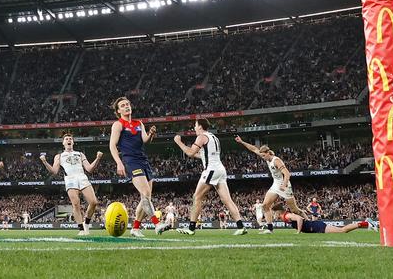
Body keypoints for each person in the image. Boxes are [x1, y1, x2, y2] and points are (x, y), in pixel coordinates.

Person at [174, 119, 247, 236]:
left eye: (195, 125)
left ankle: (191, 228)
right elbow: (202, 155)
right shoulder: (213, 137)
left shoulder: (201, 137)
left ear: (200, 127)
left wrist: (179, 142)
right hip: (220, 169)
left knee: (197, 197)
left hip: (211, 170)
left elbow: (191, 153)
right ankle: (241, 226)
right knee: (227, 200)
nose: (194, 128)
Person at [109, 97, 169, 237]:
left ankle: (135, 228)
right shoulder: (118, 125)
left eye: (128, 104)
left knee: (145, 196)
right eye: (123, 106)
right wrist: (119, 162)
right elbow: (112, 145)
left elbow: (145, 140)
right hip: (131, 161)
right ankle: (157, 224)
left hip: (143, 160)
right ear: (118, 111)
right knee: (145, 193)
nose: (126, 107)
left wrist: (150, 134)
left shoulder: (139, 123)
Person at [234, 136, 308, 234]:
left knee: (295, 210)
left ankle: (309, 223)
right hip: (276, 184)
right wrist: (242, 142)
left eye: (264, 156)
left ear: (268, 153)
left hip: (284, 185)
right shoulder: (266, 157)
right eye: (262, 156)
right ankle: (270, 229)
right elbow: (253, 149)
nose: (263, 158)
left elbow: (287, 173)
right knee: (265, 206)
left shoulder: (276, 160)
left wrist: (284, 185)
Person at [41, 134, 103, 235]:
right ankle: (81, 229)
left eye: (70, 139)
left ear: (73, 142)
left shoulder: (80, 154)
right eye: (66, 139)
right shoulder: (59, 156)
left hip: (82, 176)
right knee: (75, 204)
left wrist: (97, 158)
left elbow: (89, 169)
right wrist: (44, 162)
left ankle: (86, 223)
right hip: (70, 178)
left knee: (94, 202)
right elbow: (54, 171)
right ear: (63, 143)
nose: (69, 140)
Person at [273, 204, 378, 234]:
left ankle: (366, 223)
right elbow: (302, 214)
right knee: (343, 229)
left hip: (316, 226)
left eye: (275, 213)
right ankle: (366, 223)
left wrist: (298, 232)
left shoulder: (286, 216)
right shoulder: (285, 216)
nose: (275, 215)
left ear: (278, 211)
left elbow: (299, 219)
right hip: (314, 226)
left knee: (343, 230)